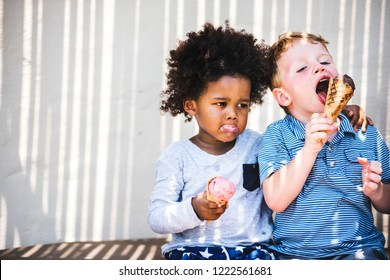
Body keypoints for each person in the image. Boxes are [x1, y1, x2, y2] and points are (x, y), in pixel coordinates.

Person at [147, 22, 372, 260]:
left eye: (242, 104)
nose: (233, 113)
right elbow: (157, 217)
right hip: (193, 252)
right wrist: (193, 208)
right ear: (191, 106)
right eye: (221, 104)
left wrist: (343, 110)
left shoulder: (260, 144)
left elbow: (297, 129)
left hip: (256, 252)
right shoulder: (177, 156)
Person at [258, 31, 390, 260]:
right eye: (302, 69)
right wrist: (309, 149)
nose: (319, 68)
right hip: (293, 255)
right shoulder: (277, 134)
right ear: (283, 97)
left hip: (359, 250)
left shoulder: (365, 132)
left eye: (324, 61)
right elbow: (276, 201)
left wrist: (377, 191)